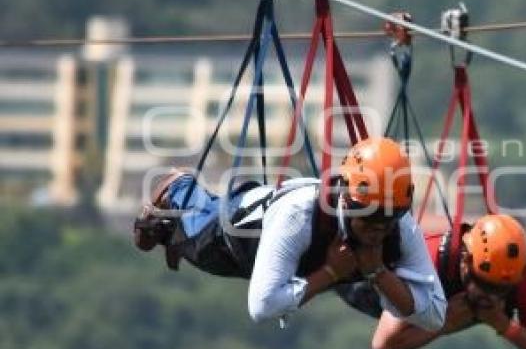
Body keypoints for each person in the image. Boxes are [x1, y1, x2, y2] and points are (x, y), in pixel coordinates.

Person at [133, 137, 446, 331]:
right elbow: (262, 307)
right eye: (368, 219)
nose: (378, 230)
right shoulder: (298, 216)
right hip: (237, 234)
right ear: (345, 201)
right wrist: (331, 273)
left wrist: (377, 271)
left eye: (388, 220)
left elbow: (435, 315)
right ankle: (179, 189)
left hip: (286, 252)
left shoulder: (400, 225)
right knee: (197, 244)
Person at [339, 214, 526, 349]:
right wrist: (444, 322)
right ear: (466, 262)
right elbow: (382, 344)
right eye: (484, 285)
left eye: (500, 290)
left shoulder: (515, 273)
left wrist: (506, 326)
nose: (489, 296)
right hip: (359, 283)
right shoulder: (430, 263)